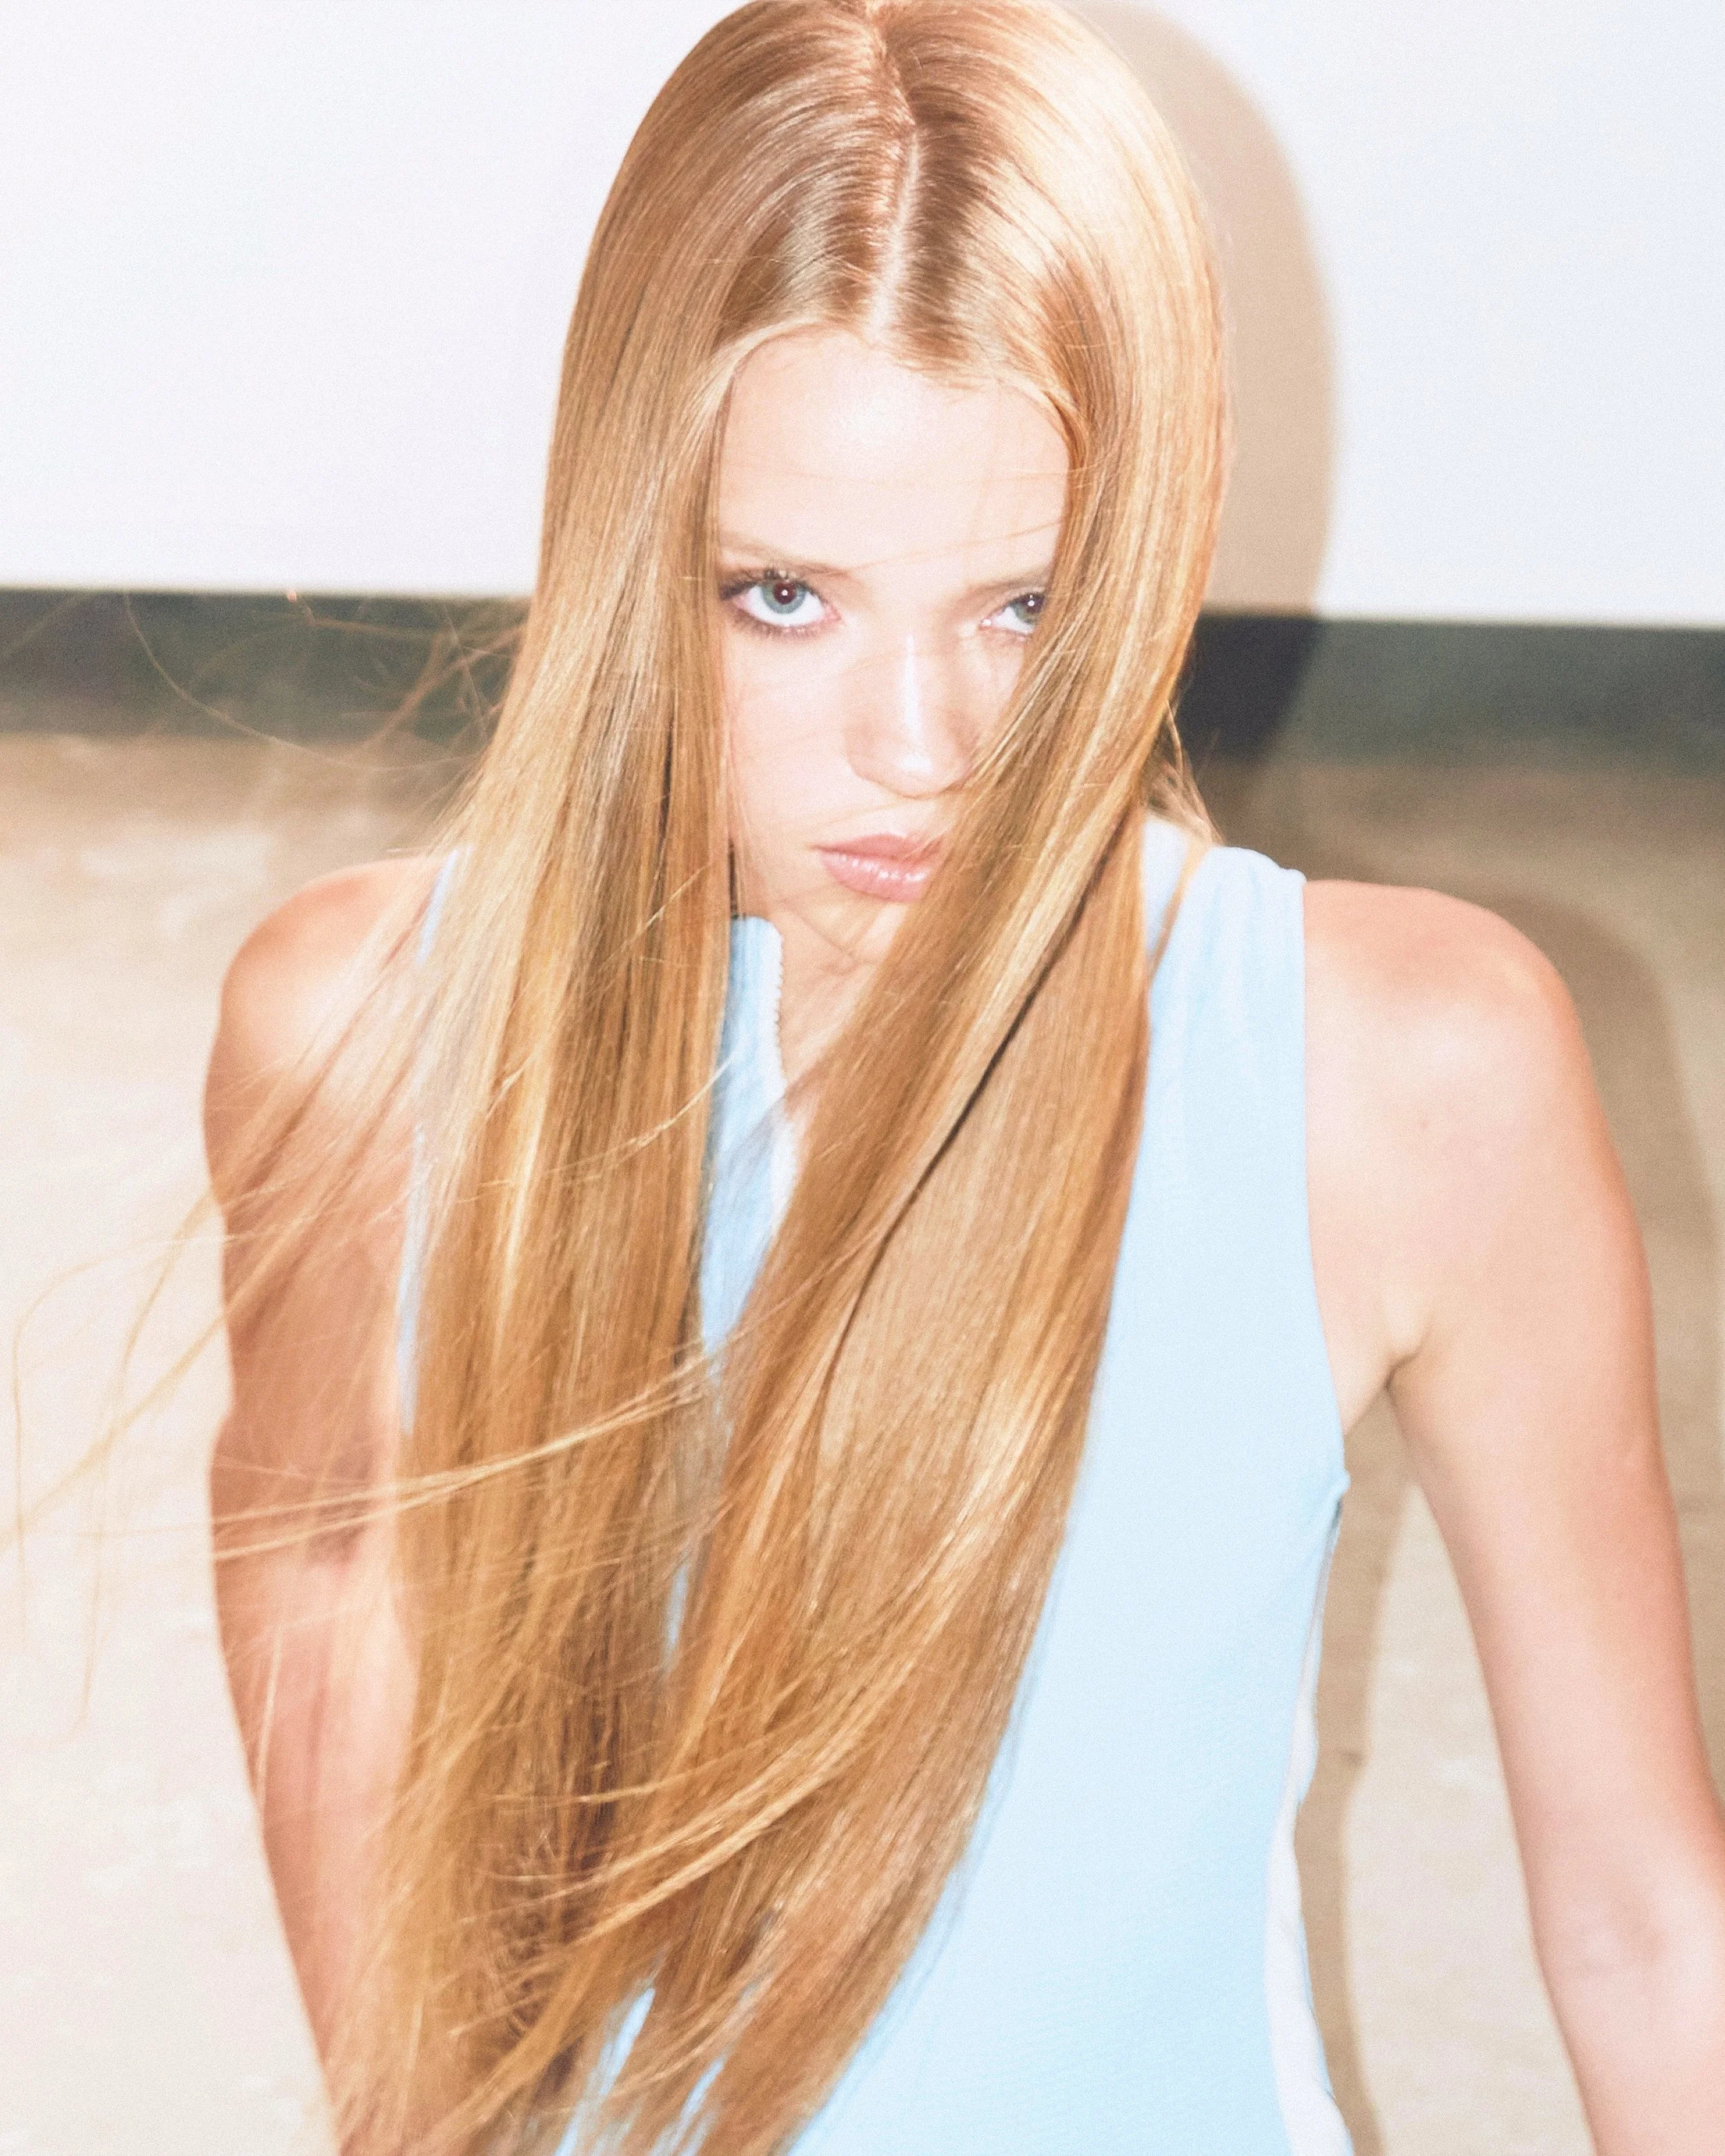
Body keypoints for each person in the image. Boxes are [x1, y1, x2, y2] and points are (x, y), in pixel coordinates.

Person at [201, 3, 1725, 2151]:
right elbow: (320, 1562)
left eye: (1019, 605)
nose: (917, 741)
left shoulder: (1392, 1075)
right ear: (629, 538)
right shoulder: (367, 1037)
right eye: (783, 595)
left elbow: (1647, 1918)